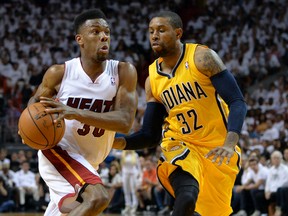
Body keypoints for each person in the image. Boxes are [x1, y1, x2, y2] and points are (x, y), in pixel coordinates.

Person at [113, 11, 247, 216]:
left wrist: (230, 143)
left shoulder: (202, 58)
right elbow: (150, 135)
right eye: (151, 32)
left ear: (178, 33)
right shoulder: (152, 79)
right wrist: (115, 142)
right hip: (179, 143)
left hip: (217, 149)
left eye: (161, 30)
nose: (154, 36)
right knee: (186, 198)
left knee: (214, 211)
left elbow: (237, 101)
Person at [18, 9, 138, 216]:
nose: (104, 36)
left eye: (107, 32)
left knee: (76, 210)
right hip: (59, 151)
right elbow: (34, 102)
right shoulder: (60, 73)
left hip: (90, 162)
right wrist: (27, 123)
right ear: (80, 39)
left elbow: (125, 122)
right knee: (98, 198)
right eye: (96, 31)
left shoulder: (123, 72)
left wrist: (74, 112)